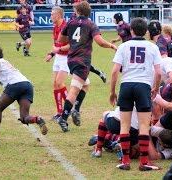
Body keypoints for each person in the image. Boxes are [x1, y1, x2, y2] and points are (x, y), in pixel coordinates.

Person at [110, 17, 162, 171]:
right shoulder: (153, 47)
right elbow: (158, 72)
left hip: (126, 85)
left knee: (124, 125)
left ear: (131, 31)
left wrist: (112, 92)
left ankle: (125, 162)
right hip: (143, 86)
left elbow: (114, 72)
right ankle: (144, 162)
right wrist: (156, 88)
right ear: (146, 31)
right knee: (144, 125)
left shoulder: (123, 46)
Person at [56, 1, 117, 132]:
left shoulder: (70, 23)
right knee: (74, 89)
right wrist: (111, 46)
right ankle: (63, 117)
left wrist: (73, 39)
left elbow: (61, 40)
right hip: (83, 61)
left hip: (71, 59)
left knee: (86, 84)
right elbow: (100, 42)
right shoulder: (90, 24)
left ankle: (76, 110)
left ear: (77, 11)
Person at [45, 6, 70, 122]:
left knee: (59, 82)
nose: (51, 16)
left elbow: (71, 45)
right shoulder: (55, 27)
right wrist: (51, 54)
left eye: (52, 14)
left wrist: (58, 50)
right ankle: (59, 112)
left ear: (59, 15)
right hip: (58, 57)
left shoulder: (66, 27)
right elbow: (56, 45)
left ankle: (69, 108)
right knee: (55, 84)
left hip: (66, 58)